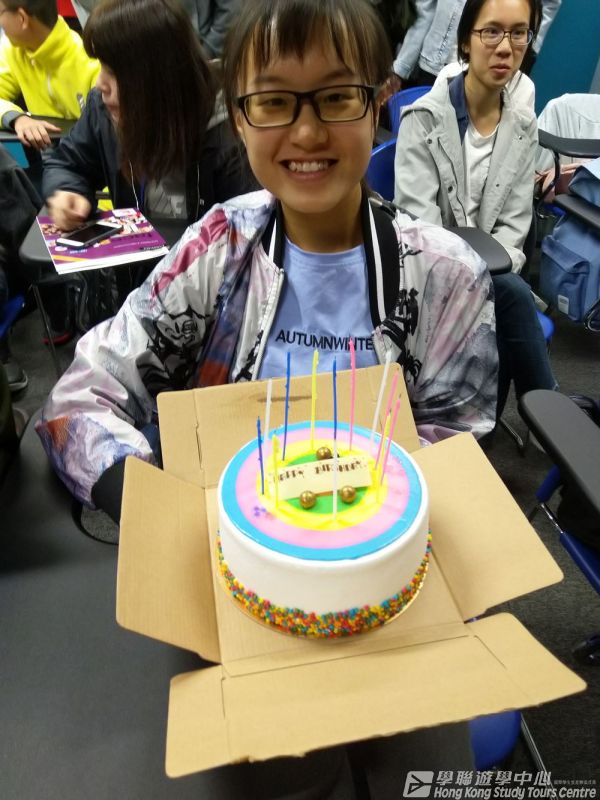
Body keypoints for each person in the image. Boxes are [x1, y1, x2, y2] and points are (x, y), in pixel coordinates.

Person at [395, 0, 556, 417]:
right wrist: (482, 279)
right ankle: (552, 416)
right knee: (512, 298)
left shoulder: (523, 127)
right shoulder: (423, 121)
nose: (505, 47)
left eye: (518, 33)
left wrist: (483, 284)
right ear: (466, 40)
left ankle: (494, 428)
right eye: (491, 31)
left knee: (504, 304)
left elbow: (514, 230)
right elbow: (422, 233)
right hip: (431, 279)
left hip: (494, 279)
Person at [43, 0, 255, 234]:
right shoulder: (104, 111)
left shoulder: (233, 136)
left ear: (157, 77)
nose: (100, 83)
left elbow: (247, 233)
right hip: (135, 252)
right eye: (101, 66)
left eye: (114, 72)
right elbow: (68, 163)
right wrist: (67, 190)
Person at [0, 0, 99, 150]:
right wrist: (16, 118)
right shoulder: (13, 50)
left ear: (22, 18)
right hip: (45, 156)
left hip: (86, 158)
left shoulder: (90, 63)